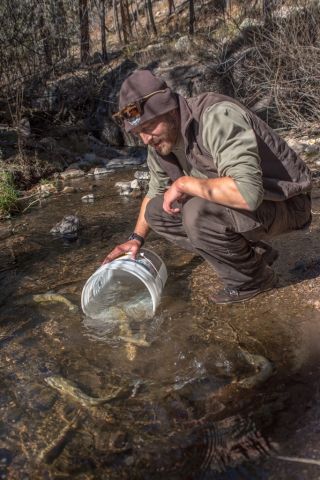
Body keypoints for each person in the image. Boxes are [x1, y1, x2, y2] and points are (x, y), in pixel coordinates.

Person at [103, 69, 312, 304]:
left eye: (149, 126)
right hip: (248, 209)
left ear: (170, 110)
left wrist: (183, 183)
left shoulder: (216, 116)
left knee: (197, 212)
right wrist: (135, 238)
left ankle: (253, 279)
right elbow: (154, 191)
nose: (146, 139)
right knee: (155, 211)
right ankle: (254, 255)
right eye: (139, 132)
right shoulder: (161, 144)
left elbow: (248, 194)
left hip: (287, 203)